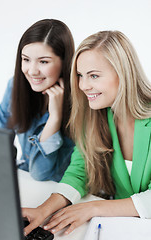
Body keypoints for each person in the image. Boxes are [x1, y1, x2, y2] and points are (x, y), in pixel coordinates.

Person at [22, 30, 151, 236]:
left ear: (124, 74)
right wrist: (43, 210)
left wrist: (93, 208)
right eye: (80, 75)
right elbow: (79, 171)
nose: (82, 85)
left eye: (94, 76)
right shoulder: (96, 116)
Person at [0, 19, 75, 182]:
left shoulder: (80, 101)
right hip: (25, 180)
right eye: (26, 59)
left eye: (43, 61)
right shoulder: (15, 86)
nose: (32, 71)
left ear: (64, 61)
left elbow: (41, 173)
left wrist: (55, 118)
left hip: (58, 190)